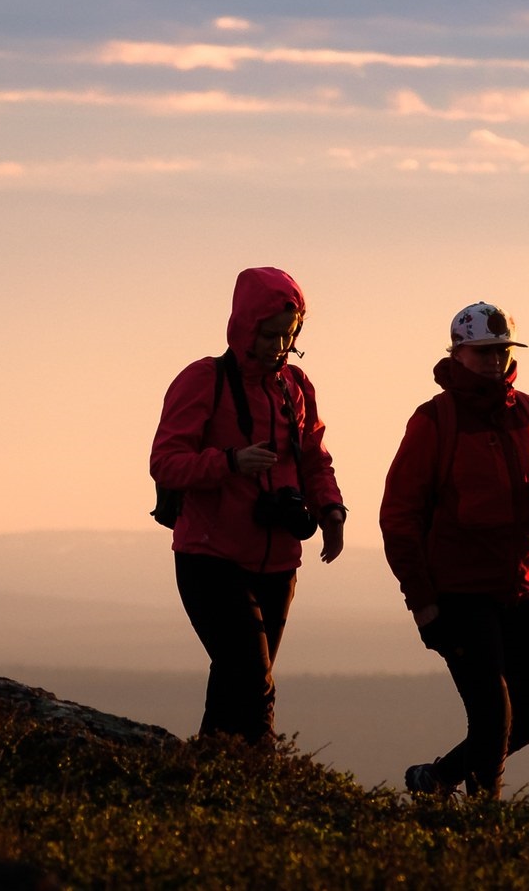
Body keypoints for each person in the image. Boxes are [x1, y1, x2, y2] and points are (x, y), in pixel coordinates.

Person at [379, 301, 529, 798]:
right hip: (460, 592)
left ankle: (437, 780)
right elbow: (398, 515)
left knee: (524, 726)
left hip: (523, 586)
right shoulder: (434, 420)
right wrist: (422, 600)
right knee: (493, 718)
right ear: (459, 353)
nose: (495, 360)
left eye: (502, 351)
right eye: (484, 351)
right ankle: (486, 820)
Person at [149, 266, 346, 743]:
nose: (279, 346)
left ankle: (208, 784)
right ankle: (263, 791)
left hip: (279, 562)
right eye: (269, 334)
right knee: (254, 683)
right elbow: (166, 462)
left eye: (288, 335)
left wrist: (332, 510)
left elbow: (314, 458)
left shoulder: (295, 387)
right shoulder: (203, 380)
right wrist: (230, 463)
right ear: (244, 326)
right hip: (209, 558)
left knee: (234, 684)